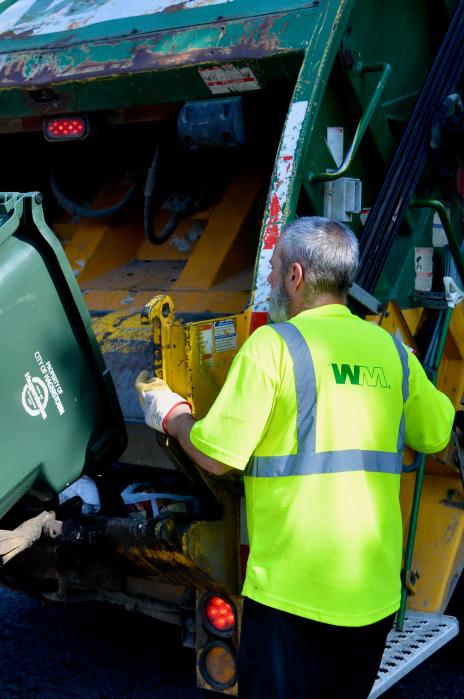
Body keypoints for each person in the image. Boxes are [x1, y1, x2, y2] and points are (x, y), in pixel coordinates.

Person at [137, 216, 454, 699]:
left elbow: (214, 456)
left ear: (296, 276)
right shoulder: (394, 351)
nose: (268, 279)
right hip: (372, 595)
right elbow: (435, 434)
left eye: (274, 267)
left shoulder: (273, 348)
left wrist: (171, 414)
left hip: (292, 597)